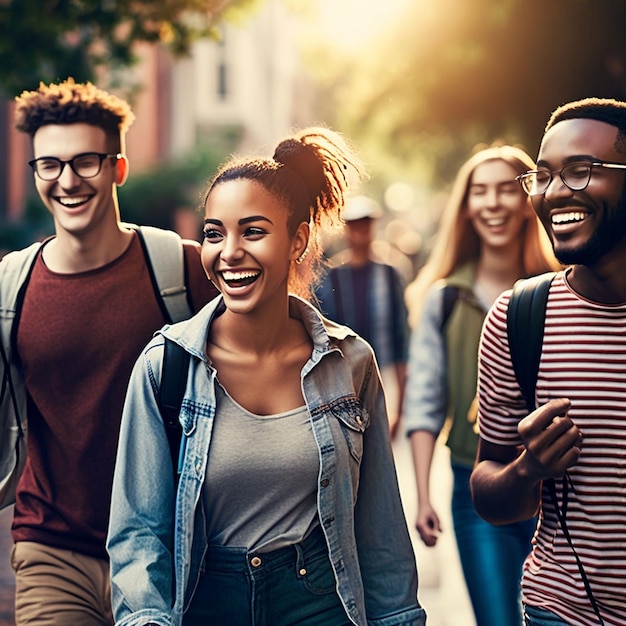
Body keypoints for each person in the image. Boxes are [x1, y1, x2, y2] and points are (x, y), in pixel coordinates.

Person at [106, 127, 427, 626]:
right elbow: (139, 531)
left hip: (322, 601)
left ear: (297, 240)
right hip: (206, 603)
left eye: (253, 231)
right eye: (214, 234)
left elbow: (379, 527)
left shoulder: (350, 362)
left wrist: (398, 618)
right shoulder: (165, 367)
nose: (229, 251)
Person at [1, 78, 218, 626]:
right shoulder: (12, 287)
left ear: (118, 167)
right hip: (54, 549)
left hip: (173, 550)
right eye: (49, 165)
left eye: (85, 162)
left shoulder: (182, 270)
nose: (67, 180)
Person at [470, 97, 626, 626]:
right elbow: (489, 495)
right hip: (560, 610)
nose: (555, 192)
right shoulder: (520, 316)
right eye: (543, 176)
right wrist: (528, 469)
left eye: (581, 172)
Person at [403, 145, 560, 626]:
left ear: (529, 198)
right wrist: (424, 496)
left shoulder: (562, 288)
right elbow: (425, 401)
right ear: (467, 207)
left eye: (506, 190)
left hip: (560, 491)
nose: (492, 203)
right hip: (477, 489)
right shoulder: (443, 300)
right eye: (479, 191)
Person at [315, 195, 409, 436]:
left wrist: (400, 403)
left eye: (365, 225)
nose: (360, 232)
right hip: (344, 378)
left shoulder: (389, 275)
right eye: (354, 226)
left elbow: (400, 337)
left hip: (383, 374)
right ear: (346, 229)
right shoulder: (331, 278)